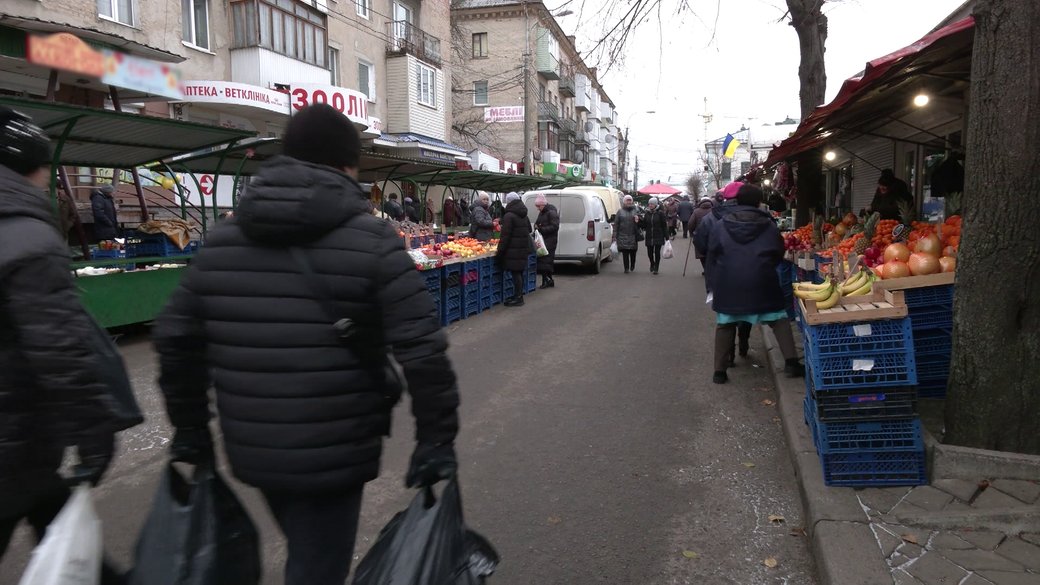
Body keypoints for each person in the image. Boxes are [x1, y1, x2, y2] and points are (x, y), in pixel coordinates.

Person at [153, 104, 461, 585]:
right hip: (336, 447)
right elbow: (421, 348)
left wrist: (191, 424)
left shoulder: (223, 239)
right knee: (317, 566)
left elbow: (174, 336)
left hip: (252, 445)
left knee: (306, 549)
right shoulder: (374, 240)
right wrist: (436, 438)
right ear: (346, 165)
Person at [0, 107, 125, 583]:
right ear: (35, 167)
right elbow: (60, 348)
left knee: (56, 519)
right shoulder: (26, 233)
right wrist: (95, 433)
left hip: (18, 448)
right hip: (15, 444)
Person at [705, 184, 805, 384]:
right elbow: (778, 252)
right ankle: (791, 363)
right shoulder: (768, 225)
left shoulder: (721, 224)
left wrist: (713, 283)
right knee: (779, 319)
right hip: (762, 281)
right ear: (759, 202)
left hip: (729, 282)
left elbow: (712, 254)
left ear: (737, 201)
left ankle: (719, 372)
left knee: (725, 323)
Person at [495, 192, 532, 307]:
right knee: (519, 272)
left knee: (516, 273)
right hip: (522, 247)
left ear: (509, 201)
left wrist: (500, 251)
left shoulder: (509, 216)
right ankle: (518, 295)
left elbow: (505, 236)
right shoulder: (524, 214)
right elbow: (529, 229)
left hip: (513, 249)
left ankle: (518, 298)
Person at [640, 197, 672, 275]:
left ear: (655, 204)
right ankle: (652, 263)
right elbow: (644, 225)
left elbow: (664, 226)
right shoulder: (647, 213)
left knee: (657, 252)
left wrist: (667, 237)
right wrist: (639, 222)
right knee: (649, 253)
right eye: (649, 204)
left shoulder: (660, 213)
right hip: (649, 236)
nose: (650, 205)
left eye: (652, 204)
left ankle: (656, 268)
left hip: (658, 235)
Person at [534, 193, 560, 288]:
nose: (537, 208)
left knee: (545, 261)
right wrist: (536, 227)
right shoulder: (543, 212)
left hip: (550, 240)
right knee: (545, 261)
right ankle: (549, 280)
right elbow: (538, 223)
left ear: (543, 204)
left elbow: (555, 226)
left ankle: (546, 281)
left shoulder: (551, 213)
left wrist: (541, 229)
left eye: (538, 206)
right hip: (544, 240)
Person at [613, 195, 641, 273]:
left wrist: (638, 220)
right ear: (624, 202)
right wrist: (615, 236)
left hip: (633, 235)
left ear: (632, 201)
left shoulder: (636, 210)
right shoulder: (620, 211)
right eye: (627, 200)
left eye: (630, 200)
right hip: (622, 235)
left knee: (633, 253)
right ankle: (626, 268)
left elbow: (641, 222)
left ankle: (632, 265)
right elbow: (616, 224)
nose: (628, 202)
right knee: (625, 253)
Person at [689, 196, 714, 273]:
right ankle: (711, 268)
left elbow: (690, 224)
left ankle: (705, 268)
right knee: (711, 252)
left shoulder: (696, 211)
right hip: (713, 234)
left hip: (700, 235)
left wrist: (691, 233)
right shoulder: (714, 210)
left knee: (701, 253)